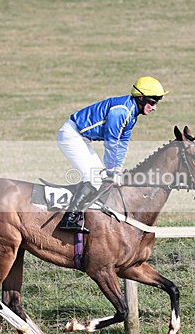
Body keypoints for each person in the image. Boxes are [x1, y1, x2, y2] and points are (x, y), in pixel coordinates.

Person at [56, 76, 168, 231]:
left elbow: (122, 145)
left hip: (81, 138)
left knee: (100, 178)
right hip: (71, 136)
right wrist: (111, 172)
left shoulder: (132, 115)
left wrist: (116, 170)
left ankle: (86, 216)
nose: (154, 107)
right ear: (141, 98)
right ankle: (69, 218)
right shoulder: (121, 112)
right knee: (94, 178)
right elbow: (111, 143)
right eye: (153, 102)